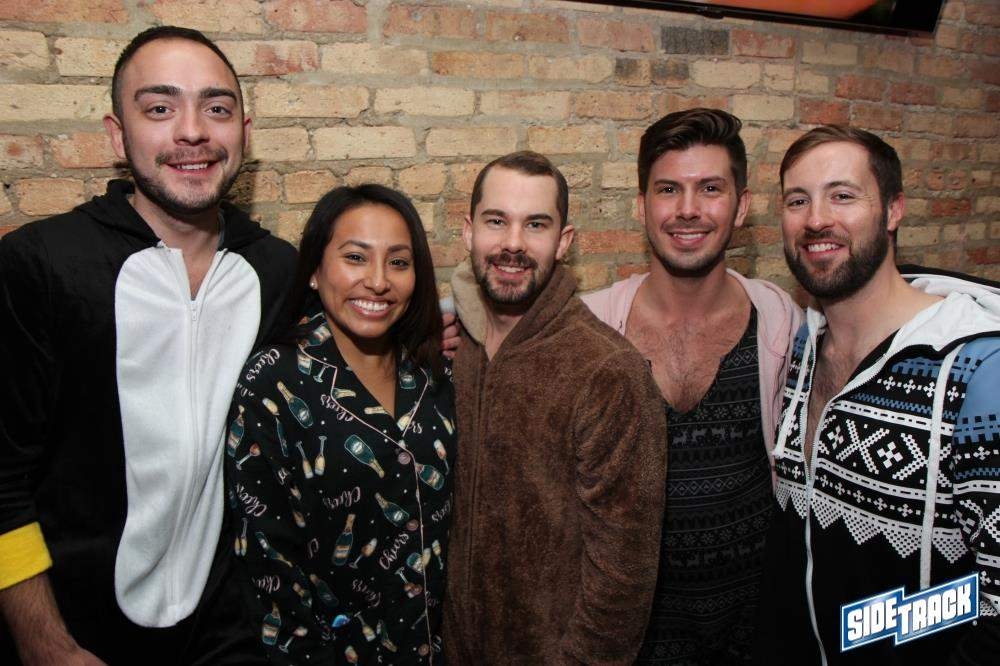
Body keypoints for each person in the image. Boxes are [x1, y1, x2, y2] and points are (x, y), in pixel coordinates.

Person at [0, 26, 295, 664]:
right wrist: (44, 643)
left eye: (217, 108)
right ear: (118, 135)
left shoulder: (278, 271)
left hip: (228, 632)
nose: (193, 131)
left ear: (244, 132)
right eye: (160, 108)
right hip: (75, 632)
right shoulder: (42, 264)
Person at [754, 125, 1000, 664]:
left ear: (893, 211)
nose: (816, 219)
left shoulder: (978, 372)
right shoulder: (803, 346)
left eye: (842, 195)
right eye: (798, 200)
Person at [581, 108, 803, 664]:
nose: (687, 209)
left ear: (741, 206)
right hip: (627, 642)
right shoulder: (591, 329)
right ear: (641, 206)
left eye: (709, 188)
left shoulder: (782, 322)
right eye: (668, 189)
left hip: (753, 636)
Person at [443, 151, 667, 663]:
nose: (513, 243)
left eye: (536, 225)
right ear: (468, 232)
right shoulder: (459, 348)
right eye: (496, 221)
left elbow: (623, 576)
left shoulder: (607, 371)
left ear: (564, 242)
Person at [227, 184, 455, 664]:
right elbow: (268, 561)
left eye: (398, 262)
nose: (378, 281)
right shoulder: (273, 383)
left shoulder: (432, 372)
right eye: (355, 257)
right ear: (314, 270)